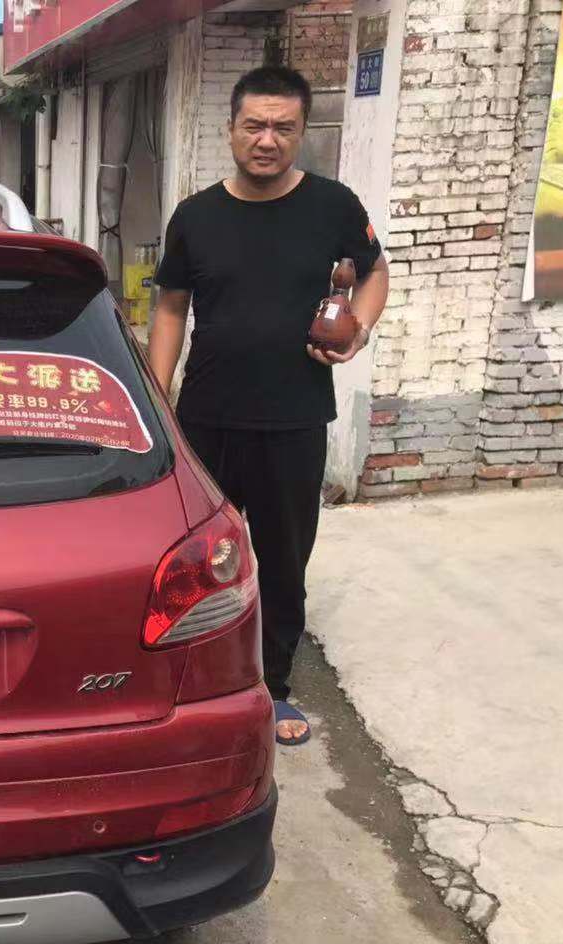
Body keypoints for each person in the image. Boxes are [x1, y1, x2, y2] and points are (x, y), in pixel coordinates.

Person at [148, 66, 389, 746]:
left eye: (283, 127)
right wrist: (157, 403)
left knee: (284, 561)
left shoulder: (333, 206)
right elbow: (170, 309)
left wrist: (360, 329)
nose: (267, 139)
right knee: (193, 562)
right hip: (206, 417)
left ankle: (272, 687)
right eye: (254, 125)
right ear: (230, 130)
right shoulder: (195, 217)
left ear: (301, 132)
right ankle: (192, 681)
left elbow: (374, 271)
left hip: (294, 416)